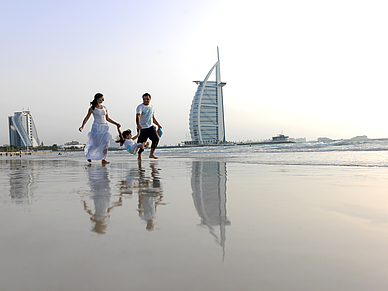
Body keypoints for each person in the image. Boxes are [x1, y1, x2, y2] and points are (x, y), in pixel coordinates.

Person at [79, 93, 121, 164]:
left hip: (105, 127)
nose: (103, 100)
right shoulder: (92, 108)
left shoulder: (104, 107)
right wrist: (82, 126)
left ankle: (103, 159)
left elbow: (107, 118)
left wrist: (116, 123)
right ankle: (89, 155)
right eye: (102, 99)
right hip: (96, 127)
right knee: (95, 143)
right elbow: (87, 118)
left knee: (106, 143)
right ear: (97, 99)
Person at [136, 93, 162, 160]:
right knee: (141, 144)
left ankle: (151, 154)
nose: (146, 100)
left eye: (147, 99)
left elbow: (152, 118)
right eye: (144, 99)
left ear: (150, 99)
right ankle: (139, 155)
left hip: (150, 127)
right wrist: (138, 125)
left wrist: (158, 124)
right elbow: (138, 116)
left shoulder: (152, 107)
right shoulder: (140, 107)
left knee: (156, 138)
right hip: (142, 128)